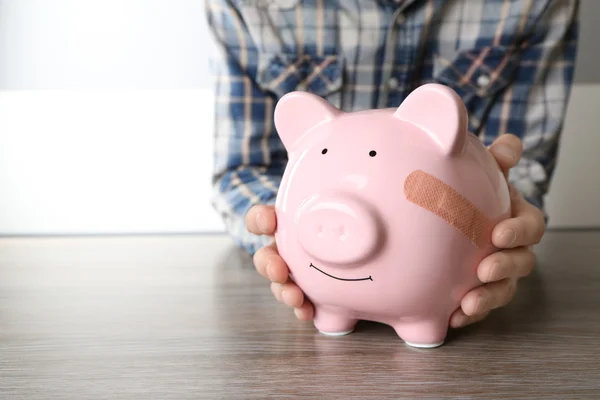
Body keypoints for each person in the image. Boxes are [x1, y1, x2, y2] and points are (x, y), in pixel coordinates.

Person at [204, 0, 579, 328]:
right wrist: (278, 235)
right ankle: (337, 310)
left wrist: (507, 221)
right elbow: (242, 171)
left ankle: (421, 320)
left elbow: (520, 170)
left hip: (448, 272)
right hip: (314, 277)